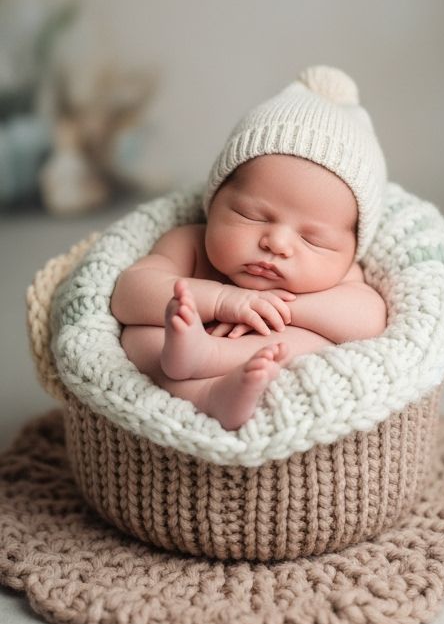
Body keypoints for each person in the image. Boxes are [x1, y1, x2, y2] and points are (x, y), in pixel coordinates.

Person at [112, 66, 388, 428]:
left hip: (261, 359)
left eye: (312, 239)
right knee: (140, 333)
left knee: (313, 342)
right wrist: (224, 302)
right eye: (252, 215)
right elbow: (127, 295)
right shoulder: (190, 243)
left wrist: (284, 309)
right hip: (174, 356)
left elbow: (369, 319)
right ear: (214, 201)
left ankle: (212, 370)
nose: (276, 242)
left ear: (351, 249)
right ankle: (205, 394)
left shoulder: (341, 277)